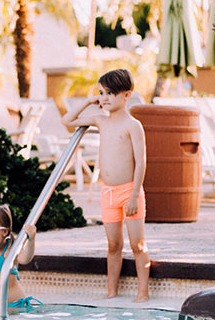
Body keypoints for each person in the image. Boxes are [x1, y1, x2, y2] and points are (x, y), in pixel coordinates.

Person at [61, 68, 150, 302]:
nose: (105, 98)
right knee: (113, 245)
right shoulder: (100, 120)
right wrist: (88, 101)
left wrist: (133, 196)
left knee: (137, 244)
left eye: (110, 92)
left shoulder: (133, 125)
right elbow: (66, 121)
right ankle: (112, 292)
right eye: (101, 92)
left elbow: (141, 162)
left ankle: (143, 293)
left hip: (129, 191)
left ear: (126, 95)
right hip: (108, 193)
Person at [0, 204, 40, 308]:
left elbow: (25, 259)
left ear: (4, 232)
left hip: (13, 305)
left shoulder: (8, 252)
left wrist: (31, 240)